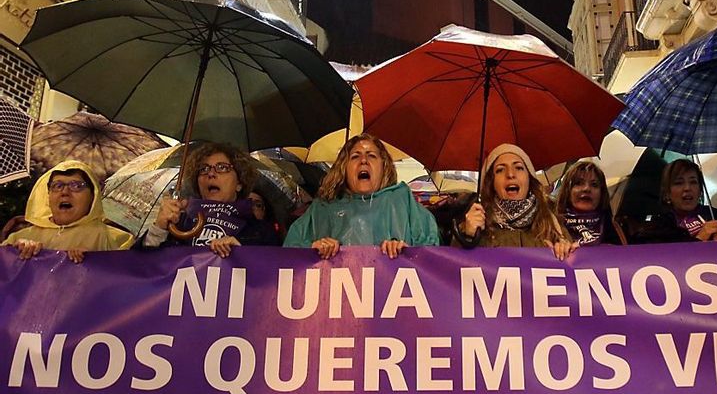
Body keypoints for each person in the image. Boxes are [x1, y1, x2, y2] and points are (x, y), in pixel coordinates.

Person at [284, 134, 439, 258]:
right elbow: (289, 252)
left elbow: (431, 254)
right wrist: (313, 249)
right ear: (344, 168)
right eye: (355, 156)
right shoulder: (323, 207)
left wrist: (406, 252)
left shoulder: (403, 202)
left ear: (384, 166)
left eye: (371, 156)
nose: (363, 161)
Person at [147, 142, 279, 257]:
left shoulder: (261, 232)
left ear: (239, 183)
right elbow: (143, 271)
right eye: (203, 169)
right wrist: (158, 230)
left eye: (222, 167)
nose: (210, 174)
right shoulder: (178, 223)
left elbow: (272, 277)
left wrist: (241, 254)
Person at [2, 160, 133, 263]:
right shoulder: (18, 238)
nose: (65, 192)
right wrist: (13, 253)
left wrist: (98, 261)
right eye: (57, 186)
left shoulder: (117, 240)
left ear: (93, 195)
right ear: (48, 195)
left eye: (76, 186)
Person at [453, 144, 570, 258]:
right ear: (492, 182)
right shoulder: (476, 225)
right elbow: (451, 270)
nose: (510, 174)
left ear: (529, 178)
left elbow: (574, 268)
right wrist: (467, 237)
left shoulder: (552, 225)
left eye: (519, 168)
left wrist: (566, 251)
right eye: (500, 170)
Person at [635, 159, 717, 244]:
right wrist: (700, 239)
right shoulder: (658, 227)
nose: (687, 188)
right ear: (667, 192)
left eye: (693, 182)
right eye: (679, 183)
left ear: (700, 189)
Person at [555, 160, 626, 248]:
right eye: (578, 183)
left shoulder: (613, 227)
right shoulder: (552, 227)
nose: (586, 188)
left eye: (594, 185)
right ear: (567, 190)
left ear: (602, 193)